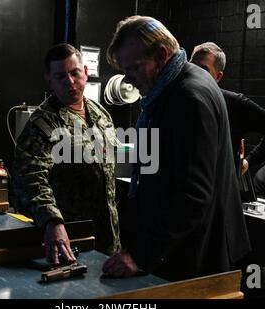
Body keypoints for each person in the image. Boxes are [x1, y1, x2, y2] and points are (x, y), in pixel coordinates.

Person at [102, 16, 251, 281]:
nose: (129, 80)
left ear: (161, 54)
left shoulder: (188, 97)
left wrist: (141, 255)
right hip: (183, 247)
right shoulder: (177, 86)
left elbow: (193, 196)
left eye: (134, 68)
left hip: (193, 255)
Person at [13, 44, 121, 265]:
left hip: (108, 235)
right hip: (69, 237)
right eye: (60, 76)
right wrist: (52, 221)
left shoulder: (101, 114)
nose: (70, 82)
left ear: (85, 72)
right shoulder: (44, 122)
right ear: (49, 80)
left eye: (74, 73)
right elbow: (30, 177)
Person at [190, 42, 265, 175]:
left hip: (218, 186)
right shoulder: (178, 98)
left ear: (217, 77)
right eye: (191, 67)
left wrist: (249, 160)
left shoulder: (234, 103)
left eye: (202, 70)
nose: (194, 74)